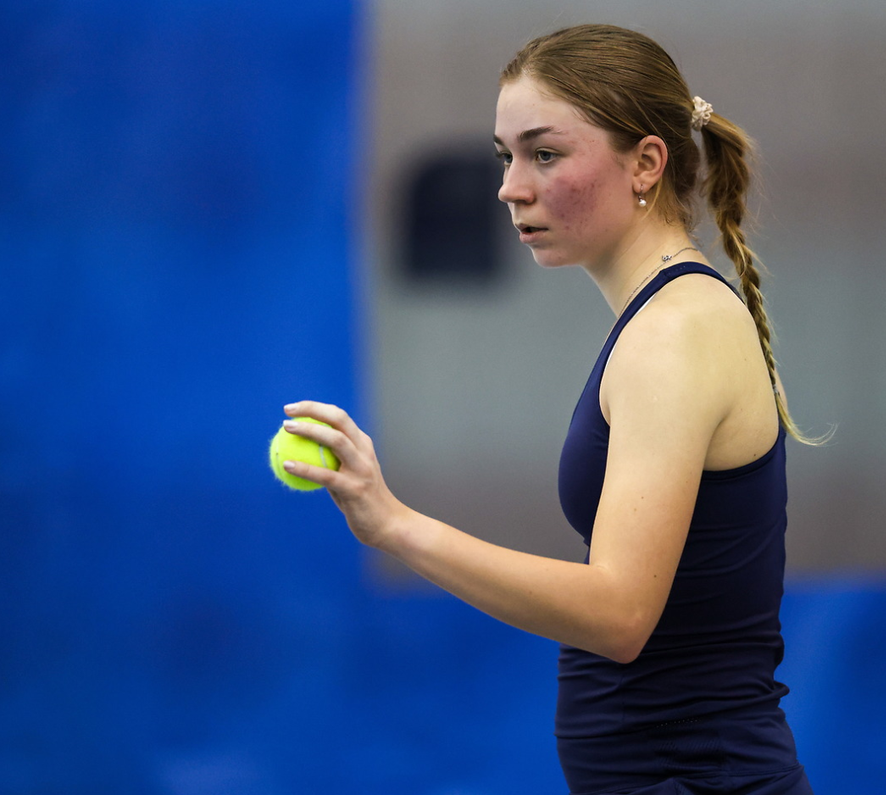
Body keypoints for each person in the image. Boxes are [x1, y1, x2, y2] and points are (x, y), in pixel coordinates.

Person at [280, 23, 823, 795]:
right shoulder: (666, 320)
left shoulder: (675, 333)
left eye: (544, 153)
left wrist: (396, 525)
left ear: (646, 163)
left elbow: (619, 613)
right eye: (505, 155)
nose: (510, 186)